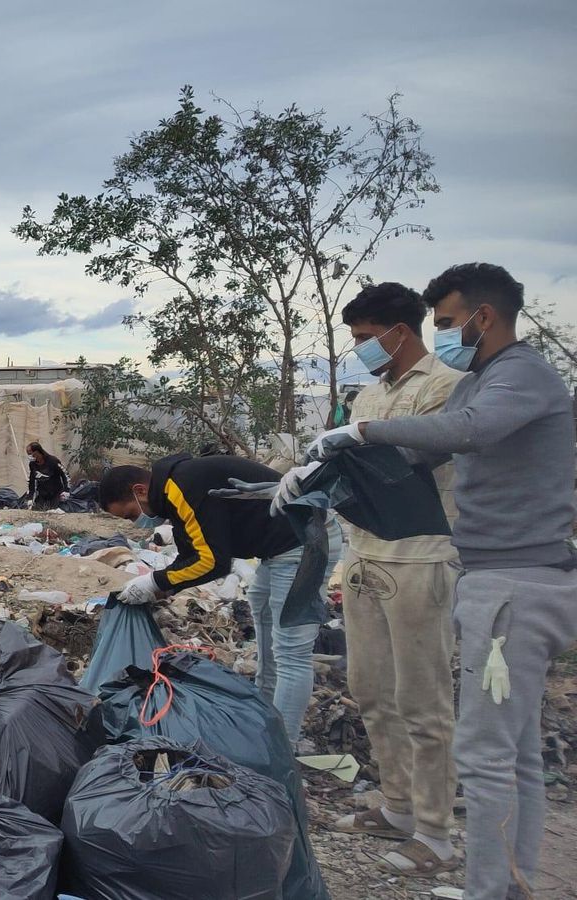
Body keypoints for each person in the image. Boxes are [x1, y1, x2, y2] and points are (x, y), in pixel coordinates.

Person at [299, 263, 577, 896]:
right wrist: (324, 468)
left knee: (484, 754)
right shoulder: (487, 378)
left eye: (448, 322)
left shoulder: (518, 375)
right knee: (511, 753)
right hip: (481, 572)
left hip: (505, 579)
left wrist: (360, 431)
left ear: (482, 317)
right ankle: (506, 881)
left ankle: (471, 869)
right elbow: (418, 452)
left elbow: (463, 433)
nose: (444, 332)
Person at [311, 282, 462, 873]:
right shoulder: (370, 394)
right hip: (365, 555)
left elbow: (408, 462)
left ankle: (436, 832)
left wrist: (356, 448)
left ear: (401, 331)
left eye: (367, 337)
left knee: (422, 701)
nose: (361, 348)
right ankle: (396, 806)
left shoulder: (447, 388)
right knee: (372, 690)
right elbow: (350, 469)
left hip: (420, 556)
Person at [99, 454, 342, 745]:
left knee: (290, 652)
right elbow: (193, 550)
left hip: (304, 542)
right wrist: (163, 585)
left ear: (139, 491)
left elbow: (213, 561)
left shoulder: (183, 487)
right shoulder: (174, 489)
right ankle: (265, 726)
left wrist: (156, 581)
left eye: (129, 514)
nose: (136, 521)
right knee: (266, 635)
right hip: (280, 548)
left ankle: (284, 750)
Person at [25, 442, 69, 510]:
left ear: (37, 452)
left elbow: (65, 475)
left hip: (55, 493)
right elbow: (32, 481)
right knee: (37, 511)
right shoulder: (32, 464)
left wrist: (66, 490)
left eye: (30, 453)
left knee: (55, 511)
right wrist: (30, 497)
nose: (29, 456)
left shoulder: (53, 461)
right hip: (42, 494)